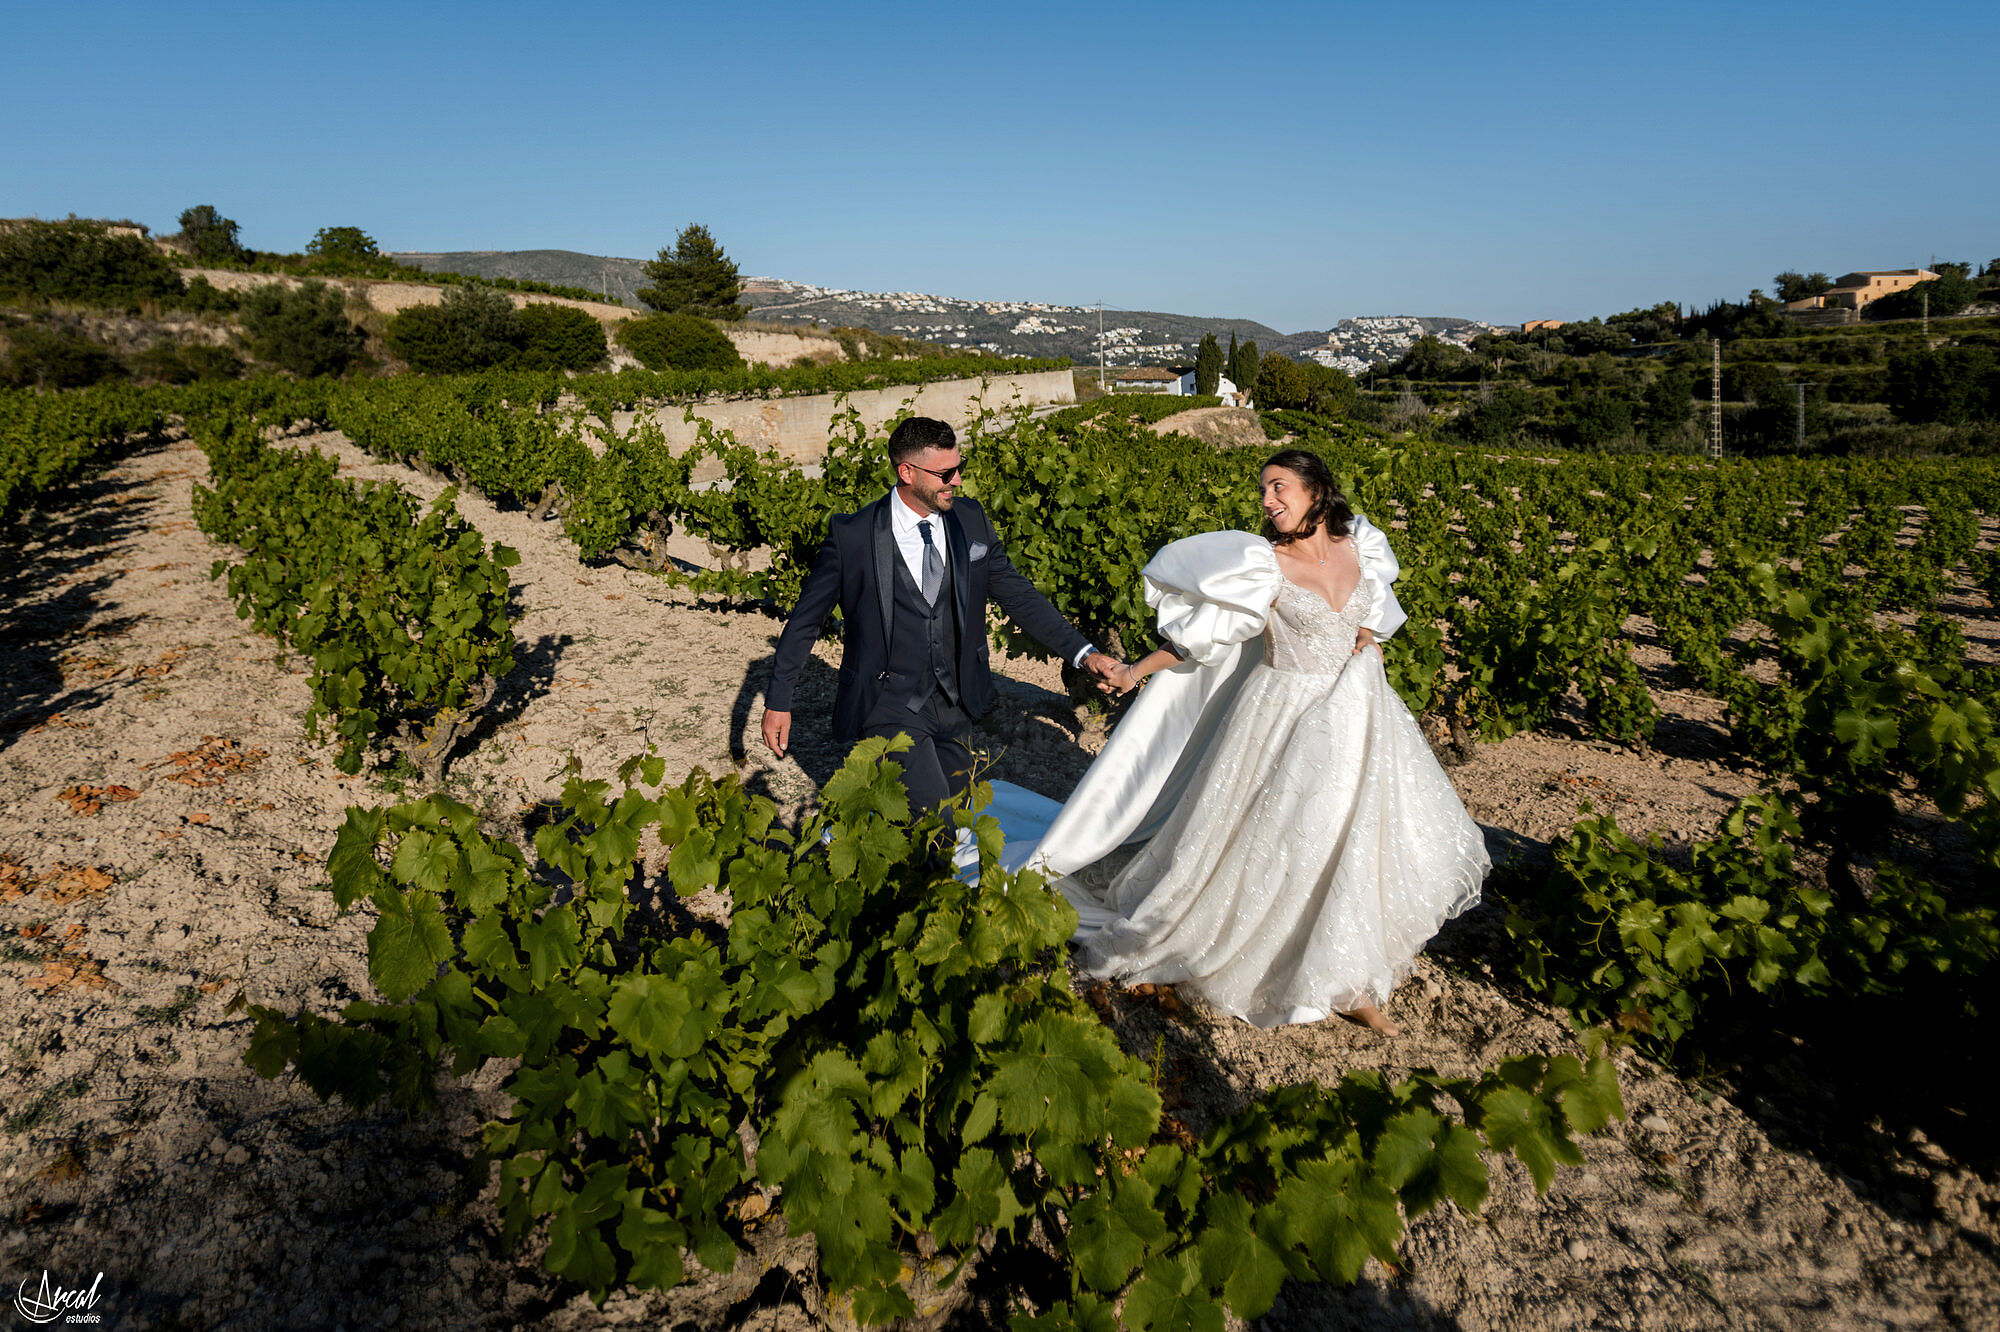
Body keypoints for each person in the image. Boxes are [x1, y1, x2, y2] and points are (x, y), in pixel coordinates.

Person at [992, 448, 1488, 1033]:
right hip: (1281, 716)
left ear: (1318, 491)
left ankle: (1349, 977)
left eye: (1279, 487)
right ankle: (1300, 963)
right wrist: (1134, 671)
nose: (1267, 501)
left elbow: (1369, 620)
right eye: (1264, 490)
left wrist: (1368, 645)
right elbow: (1202, 641)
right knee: (1287, 836)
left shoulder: (1364, 548)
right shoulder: (1264, 564)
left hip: (1357, 715)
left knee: (1354, 836)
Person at [760, 416, 1123, 815]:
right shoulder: (853, 535)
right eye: (946, 473)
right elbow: (806, 620)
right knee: (934, 818)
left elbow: (1019, 596)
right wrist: (779, 700)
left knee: (959, 811)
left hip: (957, 700)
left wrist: (1085, 654)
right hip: (888, 703)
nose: (957, 481)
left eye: (959, 467)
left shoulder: (970, 519)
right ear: (907, 472)